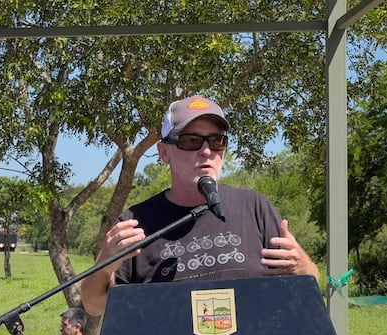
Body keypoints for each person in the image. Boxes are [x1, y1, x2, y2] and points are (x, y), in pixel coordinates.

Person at [81, 94, 319, 316]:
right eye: (191, 141)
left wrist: (304, 267)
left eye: (217, 141)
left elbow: (310, 284)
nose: (206, 151)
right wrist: (104, 265)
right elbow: (92, 305)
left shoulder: (255, 207)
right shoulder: (135, 223)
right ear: (164, 152)